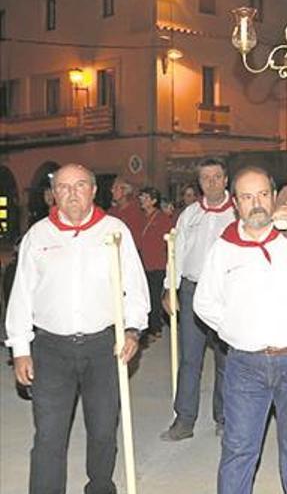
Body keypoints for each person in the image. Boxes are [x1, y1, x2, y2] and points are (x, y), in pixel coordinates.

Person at [193, 166, 287, 494]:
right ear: (236, 204)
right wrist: (237, 331)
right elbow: (204, 303)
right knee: (238, 451)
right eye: (247, 197)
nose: (256, 203)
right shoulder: (224, 248)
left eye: (263, 194)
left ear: (275, 197)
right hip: (246, 367)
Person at [5, 163, 149, 494]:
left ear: (94, 191)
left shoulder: (114, 231)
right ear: (53, 194)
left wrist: (131, 331)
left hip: (104, 347)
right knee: (49, 435)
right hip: (51, 349)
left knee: (102, 430)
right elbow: (22, 295)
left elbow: (135, 288)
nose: (72, 194)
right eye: (65, 187)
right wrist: (21, 349)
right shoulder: (38, 236)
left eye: (80, 186)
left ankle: (99, 487)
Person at [160, 158, 236, 441]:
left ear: (226, 179)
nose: (212, 182)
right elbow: (175, 253)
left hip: (226, 294)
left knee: (226, 359)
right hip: (192, 291)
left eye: (217, 177)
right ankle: (184, 420)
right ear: (199, 182)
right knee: (189, 360)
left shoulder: (238, 214)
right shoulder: (189, 215)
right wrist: (170, 288)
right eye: (206, 178)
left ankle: (225, 417)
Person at [137, 186, 174, 339]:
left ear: (153, 201)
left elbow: (169, 241)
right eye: (141, 197)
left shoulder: (162, 218)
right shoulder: (141, 217)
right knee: (145, 296)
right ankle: (149, 327)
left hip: (157, 263)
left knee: (154, 296)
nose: (142, 200)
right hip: (143, 262)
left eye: (145, 198)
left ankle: (155, 328)